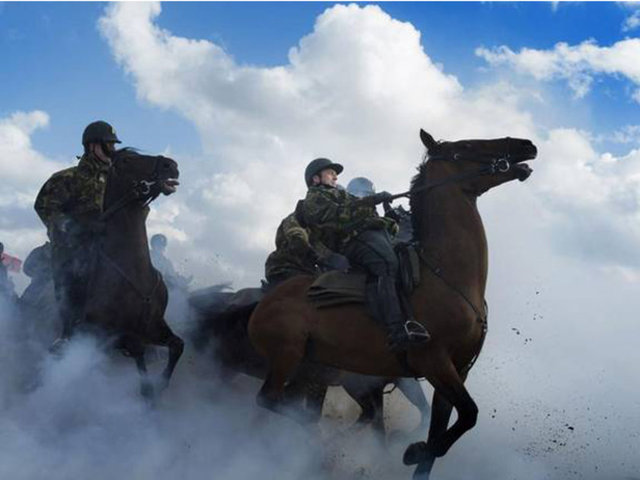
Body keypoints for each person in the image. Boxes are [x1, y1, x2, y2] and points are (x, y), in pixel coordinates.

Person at [301, 158, 430, 351]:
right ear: (316, 179)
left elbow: (365, 210)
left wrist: (390, 220)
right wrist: (374, 199)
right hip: (350, 240)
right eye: (330, 172)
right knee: (387, 263)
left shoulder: (339, 194)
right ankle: (395, 329)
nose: (335, 176)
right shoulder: (314, 199)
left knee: (408, 256)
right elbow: (341, 216)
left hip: (368, 235)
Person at [34, 120, 121, 343]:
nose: (113, 150)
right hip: (73, 254)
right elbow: (45, 207)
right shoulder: (66, 178)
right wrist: (74, 228)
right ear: (92, 146)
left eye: (114, 145)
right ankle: (67, 339)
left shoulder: (116, 180)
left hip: (107, 250)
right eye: (108, 145)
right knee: (73, 296)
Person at [264, 201, 349, 286]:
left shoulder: (318, 227)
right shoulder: (296, 219)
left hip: (307, 270)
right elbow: (298, 240)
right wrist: (324, 259)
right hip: (286, 267)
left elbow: (323, 250)